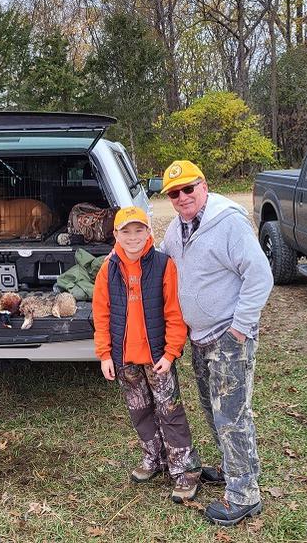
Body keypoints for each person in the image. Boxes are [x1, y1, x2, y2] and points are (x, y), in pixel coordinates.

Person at [159, 160, 274, 527]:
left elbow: (260, 276)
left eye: (188, 189)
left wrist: (239, 329)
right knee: (213, 409)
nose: (181, 198)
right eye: (174, 194)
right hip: (199, 337)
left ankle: (245, 496)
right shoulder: (177, 230)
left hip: (228, 336)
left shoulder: (228, 222)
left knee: (233, 415)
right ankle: (231, 468)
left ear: (203, 186)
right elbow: (159, 260)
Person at [92, 206, 203, 503]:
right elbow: (101, 314)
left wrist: (171, 352)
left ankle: (184, 470)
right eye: (125, 231)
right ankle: (154, 458)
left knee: (170, 411)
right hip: (125, 359)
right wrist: (105, 354)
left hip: (157, 358)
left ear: (149, 232)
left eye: (139, 230)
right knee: (139, 410)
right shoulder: (108, 268)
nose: (133, 237)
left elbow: (174, 314)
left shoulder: (163, 265)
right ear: (115, 234)